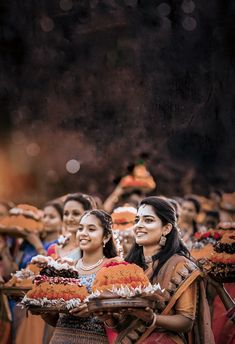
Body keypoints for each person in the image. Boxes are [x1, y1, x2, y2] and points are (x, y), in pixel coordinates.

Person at [105, 197, 214, 344]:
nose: (139, 225)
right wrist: (108, 317)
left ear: (166, 228)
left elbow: (186, 321)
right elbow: (121, 325)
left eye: (148, 220)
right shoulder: (129, 266)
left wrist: (152, 319)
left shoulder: (180, 265)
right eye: (137, 220)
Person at [42, 209, 119, 344]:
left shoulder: (115, 266)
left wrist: (94, 308)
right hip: (60, 339)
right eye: (81, 228)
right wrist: (45, 310)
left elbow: (121, 315)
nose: (83, 233)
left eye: (91, 229)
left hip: (96, 340)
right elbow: (56, 320)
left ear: (106, 237)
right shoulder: (66, 268)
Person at [47, 193, 94, 260]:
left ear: (88, 216)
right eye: (66, 214)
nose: (69, 219)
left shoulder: (94, 249)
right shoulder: (53, 249)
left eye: (76, 213)